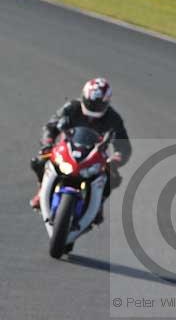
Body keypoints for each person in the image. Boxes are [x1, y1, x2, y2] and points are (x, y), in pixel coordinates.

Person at [30, 77, 132, 220]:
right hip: (67, 149)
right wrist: (48, 142)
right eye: (90, 102)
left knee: (112, 177)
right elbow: (51, 126)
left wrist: (115, 159)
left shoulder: (113, 118)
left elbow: (124, 146)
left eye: (97, 104)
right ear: (84, 96)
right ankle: (41, 192)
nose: (92, 107)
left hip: (94, 156)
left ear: (106, 102)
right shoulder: (71, 107)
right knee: (39, 161)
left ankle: (97, 205)